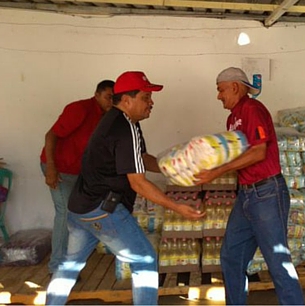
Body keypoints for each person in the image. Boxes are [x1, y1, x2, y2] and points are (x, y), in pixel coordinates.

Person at [45, 71, 205, 305]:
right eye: (146, 97)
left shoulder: (120, 122)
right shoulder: (124, 127)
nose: (151, 102)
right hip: (103, 209)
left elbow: (140, 158)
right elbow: (138, 183)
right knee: (144, 259)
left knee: (70, 265)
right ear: (127, 100)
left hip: (80, 208)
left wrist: (174, 166)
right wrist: (176, 207)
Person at [195, 67, 305, 305]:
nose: (219, 96)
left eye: (221, 90)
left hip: (265, 193)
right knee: (231, 255)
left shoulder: (252, 109)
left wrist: (217, 171)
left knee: (277, 261)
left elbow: (258, 151)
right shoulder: (233, 117)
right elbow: (237, 153)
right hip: (246, 195)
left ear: (235, 86)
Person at [40, 80, 114, 274]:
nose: (111, 101)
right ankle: (57, 267)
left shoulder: (108, 117)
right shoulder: (79, 109)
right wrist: (51, 168)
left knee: (79, 216)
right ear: (96, 95)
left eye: (114, 98)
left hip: (79, 172)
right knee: (65, 214)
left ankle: (71, 261)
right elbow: (51, 136)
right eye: (108, 97)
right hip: (59, 168)